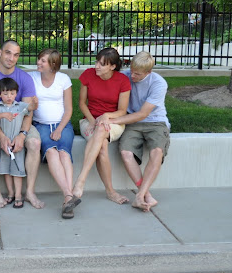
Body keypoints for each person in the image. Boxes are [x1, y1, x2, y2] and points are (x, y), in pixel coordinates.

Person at [0, 40, 43, 209]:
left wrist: (22, 134)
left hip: (19, 121)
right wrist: (1, 136)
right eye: (8, 52)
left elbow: (28, 112)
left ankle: (30, 192)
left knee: (34, 143)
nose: (11, 58)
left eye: (16, 55)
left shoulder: (25, 78)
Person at [109, 51, 170, 212]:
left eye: (138, 74)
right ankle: (145, 195)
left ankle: (140, 195)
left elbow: (143, 114)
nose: (133, 76)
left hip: (155, 122)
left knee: (157, 152)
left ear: (148, 72)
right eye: (132, 70)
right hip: (132, 123)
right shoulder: (125, 76)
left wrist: (113, 121)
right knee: (126, 153)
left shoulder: (158, 83)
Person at [73, 47, 131, 205]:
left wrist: (106, 116)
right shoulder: (88, 74)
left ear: (112, 66)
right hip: (89, 120)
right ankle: (111, 192)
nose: (96, 66)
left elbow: (122, 111)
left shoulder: (122, 81)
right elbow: (82, 103)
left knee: (100, 130)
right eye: (97, 62)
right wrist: (93, 121)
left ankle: (80, 181)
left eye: (102, 64)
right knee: (102, 146)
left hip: (113, 122)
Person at [29, 49, 78, 219]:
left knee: (64, 154)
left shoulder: (63, 79)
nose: (38, 63)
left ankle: (67, 199)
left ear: (53, 64)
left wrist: (59, 129)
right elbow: (11, 73)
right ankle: (69, 196)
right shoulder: (32, 77)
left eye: (43, 61)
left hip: (62, 125)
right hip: (41, 125)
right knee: (51, 152)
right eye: (39, 59)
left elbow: (69, 109)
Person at [0, 78, 29, 209]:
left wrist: (34, 102)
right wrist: (3, 115)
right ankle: (11, 193)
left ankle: (18, 195)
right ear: (0, 94)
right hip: (5, 144)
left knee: (17, 170)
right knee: (6, 170)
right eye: (5, 94)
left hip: (17, 144)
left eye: (12, 93)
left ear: (16, 93)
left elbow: (31, 109)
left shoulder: (20, 106)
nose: (9, 96)